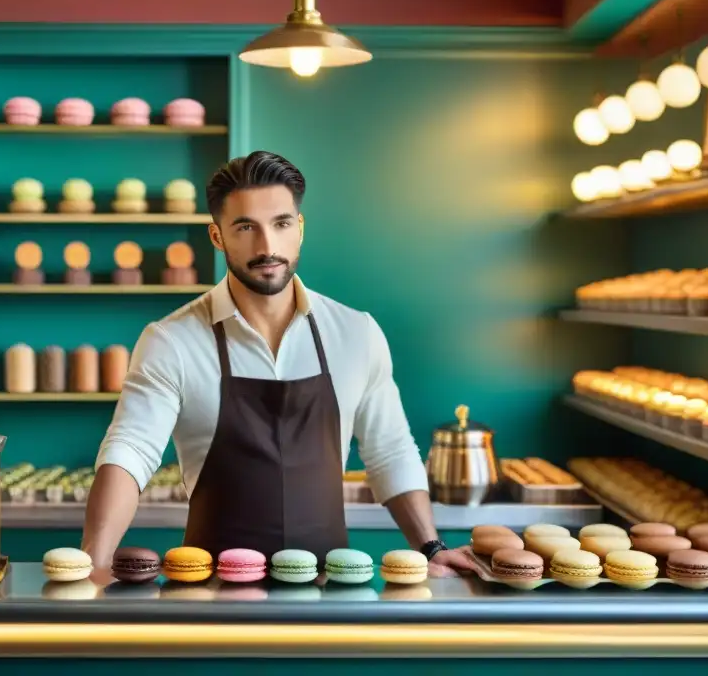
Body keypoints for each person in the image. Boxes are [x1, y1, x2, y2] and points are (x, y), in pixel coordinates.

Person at [81, 150, 477, 577]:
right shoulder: (172, 340)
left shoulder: (355, 333)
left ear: (300, 228)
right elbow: (130, 451)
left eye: (281, 224)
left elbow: (390, 450)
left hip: (330, 591)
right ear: (217, 236)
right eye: (246, 227)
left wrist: (432, 547)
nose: (267, 246)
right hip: (210, 596)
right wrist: (93, 562)